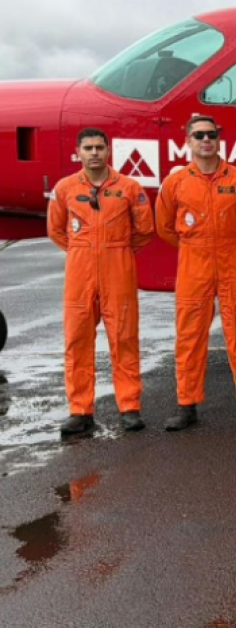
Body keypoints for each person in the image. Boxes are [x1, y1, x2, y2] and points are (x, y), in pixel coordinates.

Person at [155, 115, 236, 430]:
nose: (206, 140)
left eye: (212, 135)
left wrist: (230, 243)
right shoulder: (176, 182)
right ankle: (186, 404)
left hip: (234, 257)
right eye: (199, 135)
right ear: (188, 142)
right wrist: (194, 245)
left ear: (219, 139)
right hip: (194, 261)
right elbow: (164, 226)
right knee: (189, 335)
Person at [47, 128, 154, 435]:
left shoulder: (130, 188)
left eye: (99, 147)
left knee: (124, 338)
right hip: (80, 270)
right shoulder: (65, 188)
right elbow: (56, 230)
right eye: (88, 148)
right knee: (77, 340)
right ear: (78, 152)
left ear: (109, 151)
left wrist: (115, 249)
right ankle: (80, 411)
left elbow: (145, 230)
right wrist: (83, 250)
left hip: (118, 267)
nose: (94, 153)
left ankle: (129, 407)